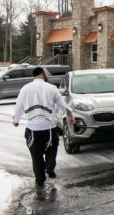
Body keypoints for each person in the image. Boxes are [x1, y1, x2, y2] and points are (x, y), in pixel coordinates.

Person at [13, 66, 76, 200]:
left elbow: (18, 105)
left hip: (33, 128)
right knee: (52, 148)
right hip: (49, 127)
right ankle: (49, 167)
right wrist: (70, 115)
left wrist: (16, 119)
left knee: (36, 155)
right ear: (42, 74)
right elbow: (62, 104)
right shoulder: (51, 88)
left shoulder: (25, 89)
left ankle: (40, 179)